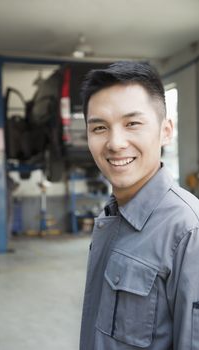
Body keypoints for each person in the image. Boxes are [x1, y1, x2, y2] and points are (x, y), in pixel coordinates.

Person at [79, 61, 199, 350]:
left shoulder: (188, 232)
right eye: (99, 127)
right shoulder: (111, 216)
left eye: (132, 123)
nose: (115, 143)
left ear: (166, 131)